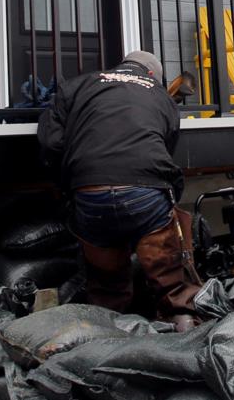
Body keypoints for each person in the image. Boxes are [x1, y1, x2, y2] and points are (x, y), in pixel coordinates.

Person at [37, 50, 202, 323]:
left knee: (106, 289)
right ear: (152, 76)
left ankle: (107, 348)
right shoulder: (161, 96)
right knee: (174, 288)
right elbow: (164, 151)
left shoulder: (79, 85)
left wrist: (73, 183)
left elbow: (51, 142)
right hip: (145, 191)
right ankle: (185, 339)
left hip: (90, 192)